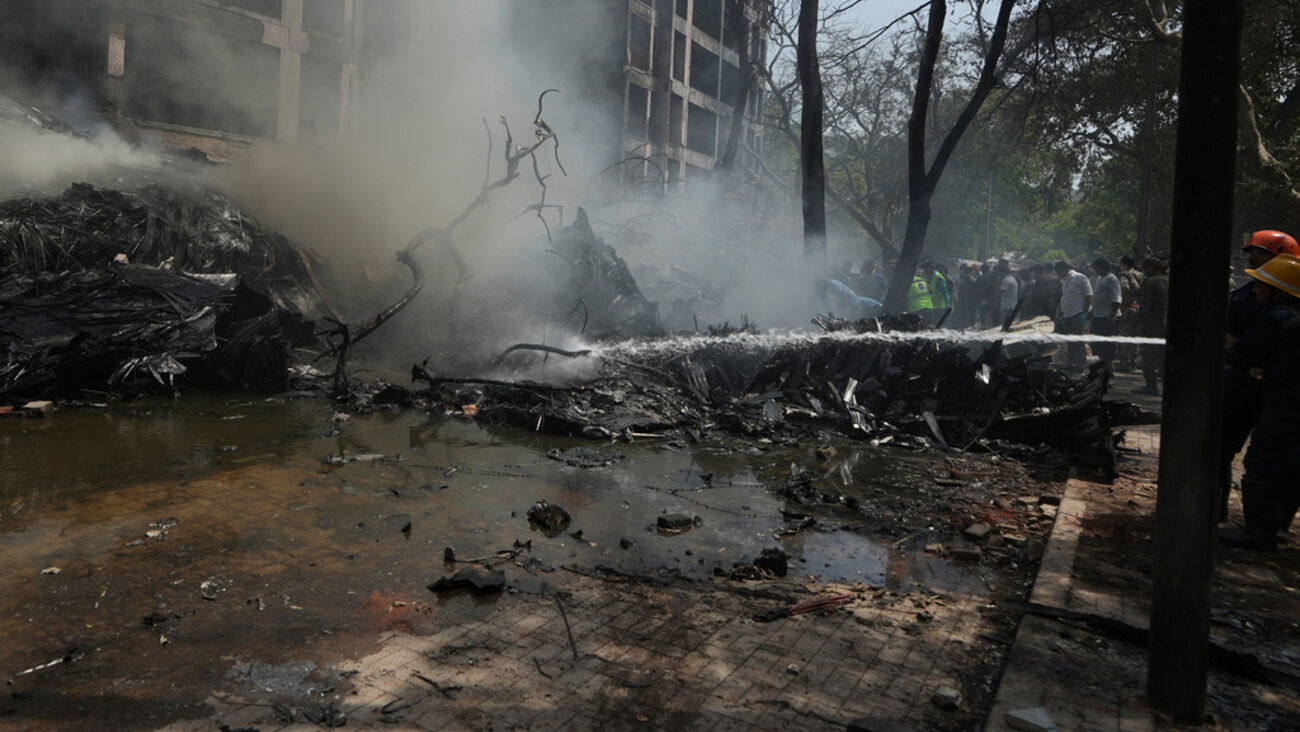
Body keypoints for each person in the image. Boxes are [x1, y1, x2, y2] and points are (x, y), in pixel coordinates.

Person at [1218, 253, 1300, 552]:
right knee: (1292, 466)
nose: (1255, 290)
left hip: (1285, 404)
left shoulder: (1275, 318)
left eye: (1262, 286)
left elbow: (1241, 353)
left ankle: (1257, 534)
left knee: (1262, 463)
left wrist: (1230, 344)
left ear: (1279, 292)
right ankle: (1277, 527)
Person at [1132, 257, 1168, 395]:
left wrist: (1140, 324)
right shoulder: (1168, 281)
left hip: (1152, 325)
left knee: (1148, 356)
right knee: (1163, 356)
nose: (1144, 270)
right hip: (1166, 324)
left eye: (1146, 268)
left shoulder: (1150, 283)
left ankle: (1151, 386)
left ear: (1151, 268)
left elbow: (1146, 306)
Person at [1054, 260, 1093, 370]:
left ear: (1065, 269)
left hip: (1078, 313)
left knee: (1079, 341)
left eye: (1059, 272)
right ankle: (1071, 363)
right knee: (1070, 340)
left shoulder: (1080, 277)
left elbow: (1089, 294)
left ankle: (1081, 364)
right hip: (1068, 314)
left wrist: (1085, 311)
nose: (1058, 275)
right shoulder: (1065, 280)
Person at [1090, 258, 1122, 365]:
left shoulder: (1112, 279)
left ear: (1102, 267)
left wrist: (1112, 316)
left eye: (1096, 267)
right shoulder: (1099, 278)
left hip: (1108, 317)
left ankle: (1107, 365)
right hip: (1098, 316)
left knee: (1107, 343)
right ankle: (1100, 363)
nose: (1094, 270)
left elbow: (1116, 299)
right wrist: (1092, 311)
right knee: (1095, 342)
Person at [1115, 255, 1144, 371]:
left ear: (1124, 264)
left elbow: (1125, 288)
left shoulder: (1124, 274)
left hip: (1128, 308)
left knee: (1124, 335)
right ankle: (1133, 362)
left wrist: (1122, 303)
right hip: (1138, 307)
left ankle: (1124, 364)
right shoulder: (1139, 274)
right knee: (1134, 335)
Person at [995, 259, 1019, 327]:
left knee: (1003, 325)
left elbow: (1001, 292)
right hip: (1012, 305)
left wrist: (991, 301)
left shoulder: (1006, 280)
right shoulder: (1013, 279)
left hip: (1006, 306)